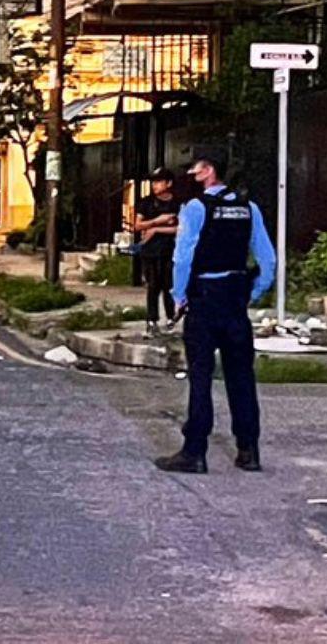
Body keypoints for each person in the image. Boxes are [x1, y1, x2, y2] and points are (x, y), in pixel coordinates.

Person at [154, 154, 276, 474]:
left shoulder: (196, 209)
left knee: (201, 377)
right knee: (241, 378)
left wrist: (178, 296)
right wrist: (253, 292)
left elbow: (183, 259)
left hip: (204, 301)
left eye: (196, 167)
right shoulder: (250, 210)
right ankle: (248, 451)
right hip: (236, 300)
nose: (192, 174)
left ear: (210, 171)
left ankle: (194, 452)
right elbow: (268, 261)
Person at [134, 167, 181, 336]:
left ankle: (171, 318)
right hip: (150, 250)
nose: (155, 185)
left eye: (159, 181)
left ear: (168, 183)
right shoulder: (146, 202)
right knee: (153, 285)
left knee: (168, 284)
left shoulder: (177, 203)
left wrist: (157, 230)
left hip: (170, 249)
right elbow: (137, 225)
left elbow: (181, 228)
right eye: (153, 182)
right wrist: (156, 222)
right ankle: (151, 320)